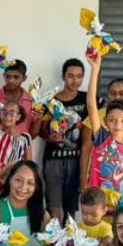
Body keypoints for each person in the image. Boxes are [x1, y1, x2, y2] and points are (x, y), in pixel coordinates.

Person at [39, 59, 88, 222]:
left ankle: (70, 244)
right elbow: (41, 130)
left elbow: (108, 110)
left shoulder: (87, 99)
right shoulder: (51, 100)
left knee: (71, 209)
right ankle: (54, 244)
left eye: (79, 76)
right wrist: (50, 137)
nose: (75, 81)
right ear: (63, 77)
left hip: (77, 160)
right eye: (71, 76)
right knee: (54, 208)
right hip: (53, 160)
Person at [85, 56, 123, 200]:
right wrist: (95, 69)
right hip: (98, 203)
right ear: (105, 121)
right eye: (112, 120)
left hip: (122, 203)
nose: (117, 125)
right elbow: (91, 106)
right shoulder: (102, 140)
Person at [0, 100, 32, 193]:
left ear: (18, 117)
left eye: (12, 113)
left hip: (13, 179)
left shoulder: (25, 138)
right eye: (4, 112)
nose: (7, 116)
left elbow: (29, 163)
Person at [0, 60, 34, 133]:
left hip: (22, 143)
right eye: (8, 76)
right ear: (4, 75)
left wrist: (39, 119)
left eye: (16, 77)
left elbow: (32, 133)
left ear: (24, 78)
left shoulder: (31, 100)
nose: (11, 80)